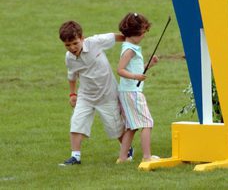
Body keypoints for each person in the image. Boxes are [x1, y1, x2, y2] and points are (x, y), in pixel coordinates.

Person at [58, 20, 133, 166]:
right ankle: (75, 156)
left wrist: (132, 41)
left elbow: (116, 37)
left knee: (115, 128)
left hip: (107, 95)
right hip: (86, 96)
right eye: (67, 45)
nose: (72, 48)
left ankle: (127, 150)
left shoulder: (95, 42)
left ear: (82, 38)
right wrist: (72, 95)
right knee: (76, 123)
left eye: (75, 43)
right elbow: (72, 76)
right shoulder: (69, 58)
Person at [116, 12, 159, 163]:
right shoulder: (129, 50)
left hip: (128, 91)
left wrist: (149, 65)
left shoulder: (129, 47)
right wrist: (136, 77)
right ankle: (147, 157)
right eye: (143, 33)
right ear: (134, 33)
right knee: (147, 123)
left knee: (132, 126)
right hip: (132, 92)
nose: (144, 36)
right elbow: (120, 69)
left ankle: (122, 157)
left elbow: (135, 69)